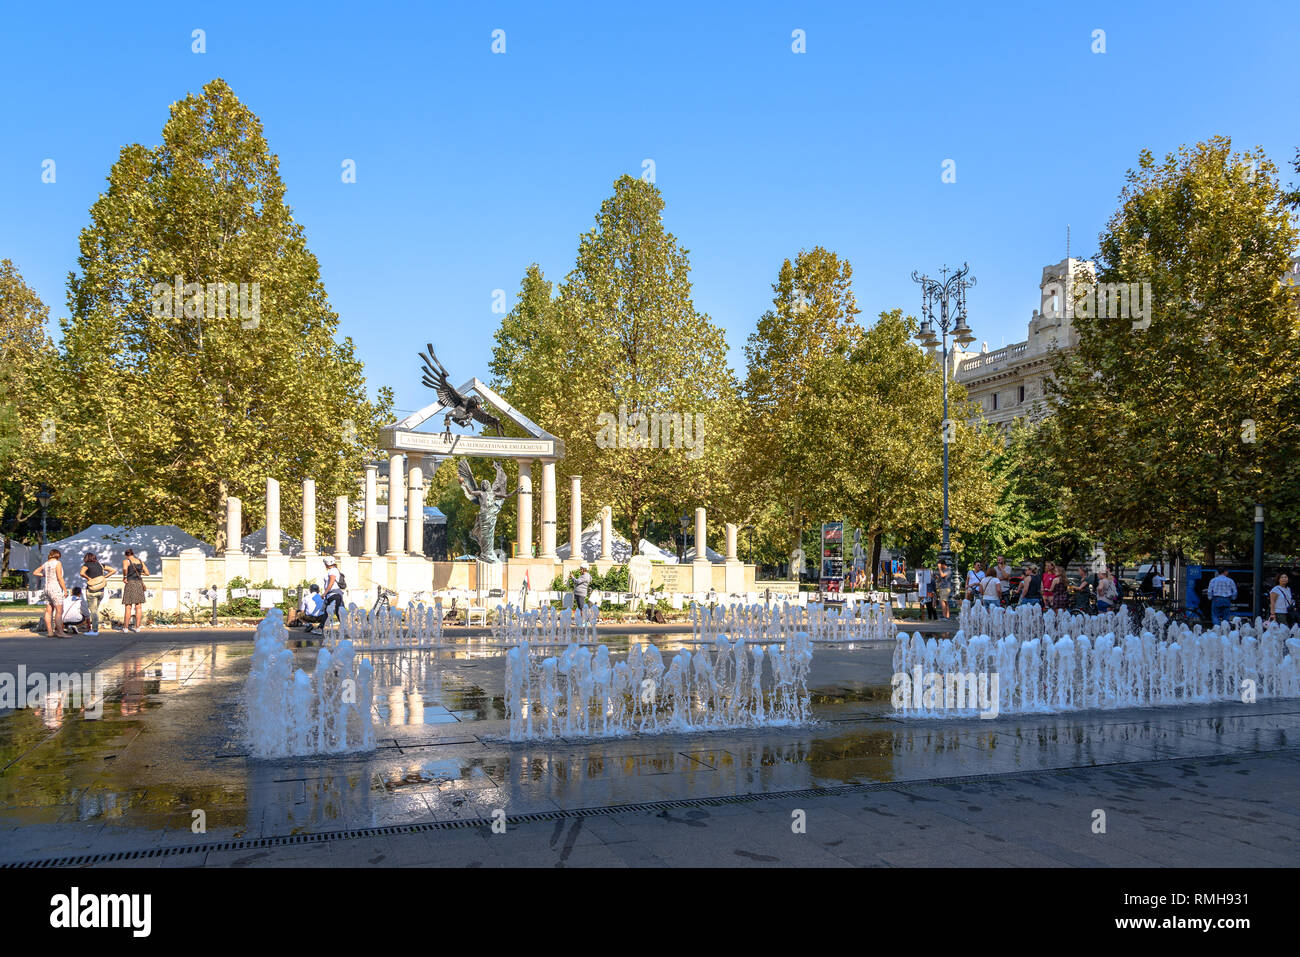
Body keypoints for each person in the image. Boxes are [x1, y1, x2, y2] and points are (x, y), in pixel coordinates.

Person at [32, 549, 70, 638]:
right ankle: (60, 632)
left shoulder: (46, 563)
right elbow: (60, 578)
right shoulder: (57, 563)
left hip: (46, 588)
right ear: (58, 555)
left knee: (48, 610)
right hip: (55, 587)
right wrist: (64, 590)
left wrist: (45, 575)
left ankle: (50, 632)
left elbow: (35, 572)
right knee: (59, 611)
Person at [79, 551, 117, 636]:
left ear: (86, 558)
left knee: (93, 611)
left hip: (91, 591)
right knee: (95, 610)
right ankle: (94, 628)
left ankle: (95, 630)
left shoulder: (86, 565)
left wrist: (88, 578)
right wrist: (104, 577)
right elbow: (113, 570)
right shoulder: (100, 565)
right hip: (101, 590)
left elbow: (81, 573)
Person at [120, 548, 147, 632]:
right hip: (138, 584)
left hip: (130, 583)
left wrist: (125, 577)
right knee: (138, 606)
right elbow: (147, 573)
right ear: (133, 554)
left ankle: (126, 628)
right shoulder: (140, 561)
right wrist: (139, 573)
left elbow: (125, 569)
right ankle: (138, 627)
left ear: (126, 555)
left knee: (128, 606)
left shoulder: (126, 561)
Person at [322, 557, 345, 627]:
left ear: (327, 563)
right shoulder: (333, 570)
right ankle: (321, 627)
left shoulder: (332, 571)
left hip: (334, 594)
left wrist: (325, 593)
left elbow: (331, 582)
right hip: (332, 594)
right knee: (329, 611)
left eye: (325, 563)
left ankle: (346, 628)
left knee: (336, 611)